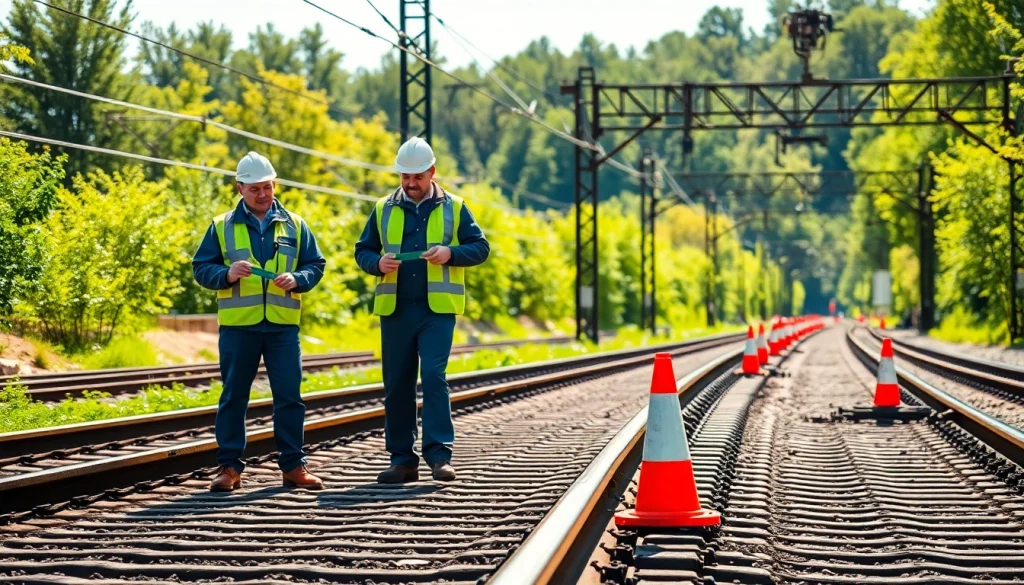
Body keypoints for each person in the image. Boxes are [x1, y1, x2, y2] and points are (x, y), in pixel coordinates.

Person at [354, 137, 490, 483]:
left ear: (432, 172)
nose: (410, 184)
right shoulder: (383, 207)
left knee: (432, 376)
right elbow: (362, 251)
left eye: (416, 177)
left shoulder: (455, 207)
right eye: (404, 177)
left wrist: (451, 254)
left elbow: (481, 248)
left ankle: (439, 455)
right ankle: (402, 460)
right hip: (395, 309)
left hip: (437, 310)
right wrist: (376, 263)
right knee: (397, 384)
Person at [193, 151, 327, 492]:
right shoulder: (221, 226)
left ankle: (293, 466)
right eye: (255, 189)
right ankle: (229, 469)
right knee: (234, 396)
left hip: (282, 327)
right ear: (240, 189)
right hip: (240, 327)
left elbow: (316, 265)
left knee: (289, 396)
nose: (263, 194)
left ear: (274, 184)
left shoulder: (295, 225)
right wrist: (226, 274)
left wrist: (299, 278)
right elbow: (201, 268)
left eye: (267, 187)